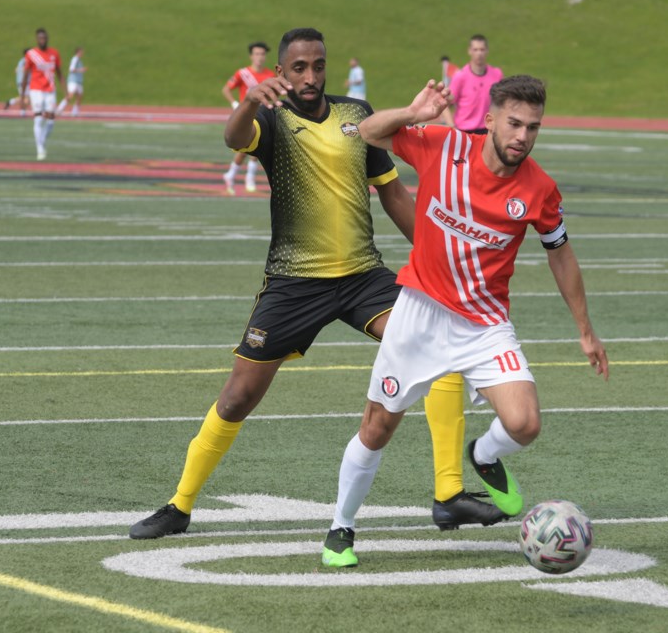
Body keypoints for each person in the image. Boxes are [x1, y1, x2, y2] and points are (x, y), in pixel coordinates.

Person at [128, 28, 504, 541]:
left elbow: (393, 195)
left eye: (318, 66)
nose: (309, 76)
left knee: (436, 347)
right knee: (238, 397)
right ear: (281, 72)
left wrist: (439, 258)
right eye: (298, 67)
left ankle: (448, 494)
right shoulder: (270, 115)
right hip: (293, 283)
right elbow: (233, 139)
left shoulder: (357, 115)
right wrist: (246, 101)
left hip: (362, 277)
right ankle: (180, 505)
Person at [321, 75, 609, 568]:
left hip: (484, 323)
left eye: (533, 128)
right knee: (378, 427)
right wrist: (413, 115)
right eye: (514, 123)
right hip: (418, 314)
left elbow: (561, 253)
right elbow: (368, 130)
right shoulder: (445, 147)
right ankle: (340, 528)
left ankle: (484, 456)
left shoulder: (539, 188)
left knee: (525, 422)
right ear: (491, 119)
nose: (522, 136)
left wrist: (584, 328)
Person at [221, 42, 276, 195]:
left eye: (263, 54)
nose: (260, 57)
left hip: (263, 115)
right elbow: (226, 89)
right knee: (246, 147)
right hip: (247, 116)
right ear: (251, 56)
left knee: (259, 147)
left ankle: (243, 177)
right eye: (257, 54)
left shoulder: (270, 75)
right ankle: (237, 175)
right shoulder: (243, 73)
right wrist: (234, 104)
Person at [445, 34, 504, 134]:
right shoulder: (460, 76)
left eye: (482, 49)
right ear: (470, 51)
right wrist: (451, 126)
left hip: (487, 129)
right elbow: (445, 104)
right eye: (475, 50)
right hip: (464, 130)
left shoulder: (496, 74)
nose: (479, 53)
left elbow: (503, 102)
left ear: (487, 51)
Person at [20, 28, 63, 161]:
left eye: (44, 38)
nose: (43, 40)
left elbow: (60, 73)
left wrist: (66, 92)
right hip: (36, 90)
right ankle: (40, 149)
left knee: (51, 120)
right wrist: (23, 96)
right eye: (40, 38)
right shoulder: (31, 54)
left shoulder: (54, 53)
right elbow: (26, 75)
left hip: (50, 90)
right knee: (38, 118)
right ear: (37, 39)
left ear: (47, 39)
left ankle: (42, 140)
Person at [56, 47, 87, 116]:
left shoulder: (79, 60)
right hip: (73, 81)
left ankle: (75, 111)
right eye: (81, 52)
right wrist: (81, 70)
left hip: (78, 81)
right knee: (70, 95)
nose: (82, 53)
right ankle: (59, 109)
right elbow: (71, 69)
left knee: (79, 96)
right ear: (78, 52)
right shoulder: (75, 59)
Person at [4, 49, 30, 115]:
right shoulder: (26, 61)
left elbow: (15, 70)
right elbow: (24, 70)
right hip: (24, 82)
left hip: (20, 81)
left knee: (24, 97)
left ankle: (10, 102)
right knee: (26, 99)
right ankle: (22, 111)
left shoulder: (21, 61)